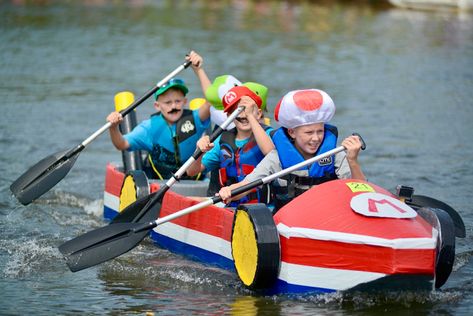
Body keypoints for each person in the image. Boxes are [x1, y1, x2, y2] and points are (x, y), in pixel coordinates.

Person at [218, 88, 366, 212]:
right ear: (292, 132)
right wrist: (229, 191)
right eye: (309, 133)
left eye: (320, 131)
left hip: (328, 217)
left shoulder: (336, 154)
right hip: (289, 221)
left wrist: (353, 160)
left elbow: (361, 191)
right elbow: (247, 185)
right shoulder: (277, 157)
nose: (316, 138)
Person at [106, 51, 211, 180]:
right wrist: (113, 127)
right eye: (167, 102)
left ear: (185, 102)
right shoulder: (149, 128)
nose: (173, 106)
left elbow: (211, 101)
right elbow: (121, 144)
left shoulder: (195, 119)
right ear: (157, 106)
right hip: (160, 183)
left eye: (177, 101)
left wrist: (198, 70)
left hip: (195, 180)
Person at [187, 85, 275, 206]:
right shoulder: (222, 140)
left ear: (259, 114)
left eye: (247, 109)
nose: (243, 114)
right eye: (237, 110)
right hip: (230, 205)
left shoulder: (268, 134)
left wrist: (251, 116)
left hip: (263, 208)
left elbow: (270, 152)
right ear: (229, 116)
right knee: (189, 201)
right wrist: (199, 151)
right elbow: (191, 171)